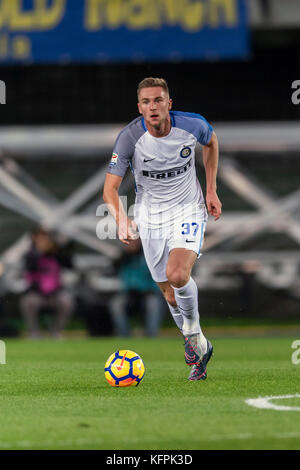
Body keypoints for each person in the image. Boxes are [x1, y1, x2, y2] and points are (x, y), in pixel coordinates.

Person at [103, 77, 222, 381]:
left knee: (179, 274)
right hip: (151, 217)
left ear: (169, 103)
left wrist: (211, 190)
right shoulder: (129, 138)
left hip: (188, 209)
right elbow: (110, 190)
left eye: (158, 100)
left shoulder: (192, 125)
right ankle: (200, 347)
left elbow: (211, 142)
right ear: (139, 107)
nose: (152, 107)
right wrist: (121, 220)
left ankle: (193, 335)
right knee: (170, 295)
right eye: (146, 102)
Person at [19, 228, 75, 339]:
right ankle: (34, 333)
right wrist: (40, 251)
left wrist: (58, 249)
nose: (43, 241)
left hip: (55, 293)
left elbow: (70, 264)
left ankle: (56, 332)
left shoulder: (56, 254)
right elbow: (29, 265)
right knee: (28, 302)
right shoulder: (30, 254)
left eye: (45, 238)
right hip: (37, 293)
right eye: (40, 238)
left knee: (67, 301)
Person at [110, 238, 164, 337]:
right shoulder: (124, 257)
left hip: (147, 293)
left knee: (154, 303)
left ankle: (151, 336)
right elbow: (114, 267)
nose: (132, 244)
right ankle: (124, 336)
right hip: (129, 294)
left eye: (134, 241)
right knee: (116, 304)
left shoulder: (149, 256)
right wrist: (125, 255)